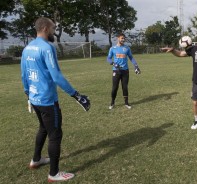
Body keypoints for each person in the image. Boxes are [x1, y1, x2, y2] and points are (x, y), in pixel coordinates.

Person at [21, 17, 90, 182]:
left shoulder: (27, 48)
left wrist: (28, 95)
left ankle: (36, 160)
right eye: (53, 28)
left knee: (43, 129)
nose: (54, 31)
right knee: (55, 134)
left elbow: (24, 75)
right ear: (45, 28)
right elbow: (57, 77)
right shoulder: (47, 48)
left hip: (35, 98)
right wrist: (76, 95)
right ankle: (54, 174)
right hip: (47, 100)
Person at [107, 33, 141, 110]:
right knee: (114, 87)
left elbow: (131, 58)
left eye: (124, 38)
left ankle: (126, 103)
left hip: (125, 71)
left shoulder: (127, 48)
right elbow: (108, 58)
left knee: (125, 87)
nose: (123, 39)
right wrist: (113, 63)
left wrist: (136, 66)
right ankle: (112, 102)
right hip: (116, 71)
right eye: (122, 38)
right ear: (118, 38)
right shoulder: (112, 48)